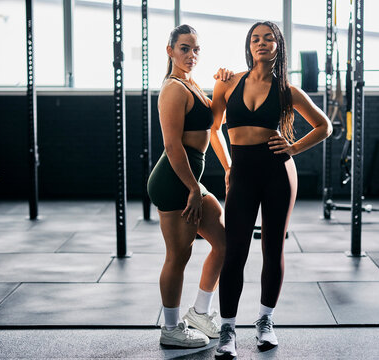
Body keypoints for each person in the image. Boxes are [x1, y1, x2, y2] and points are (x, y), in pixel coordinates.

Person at [211, 21, 332, 357]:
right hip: (242, 173)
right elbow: (214, 129)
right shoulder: (228, 82)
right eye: (255, 39)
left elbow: (325, 126)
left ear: (278, 45)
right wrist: (227, 167)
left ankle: (265, 321)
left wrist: (293, 148)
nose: (261, 43)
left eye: (268, 38)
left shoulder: (287, 91)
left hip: (277, 172)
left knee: (272, 246)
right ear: (248, 46)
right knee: (234, 250)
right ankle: (227, 330)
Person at [147, 24, 232, 348]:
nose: (191, 55)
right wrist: (193, 189)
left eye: (196, 49)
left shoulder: (193, 84)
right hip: (173, 181)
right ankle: (171, 329)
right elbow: (173, 147)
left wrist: (228, 166)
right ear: (170, 51)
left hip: (190, 180)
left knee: (224, 243)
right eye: (184, 48)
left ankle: (199, 312)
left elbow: (215, 127)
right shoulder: (173, 89)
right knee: (178, 255)